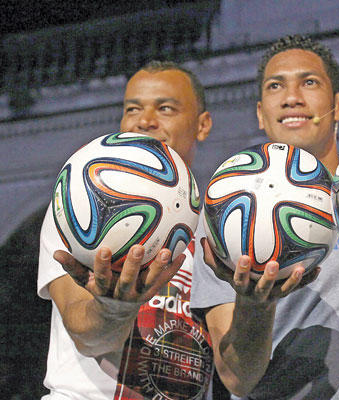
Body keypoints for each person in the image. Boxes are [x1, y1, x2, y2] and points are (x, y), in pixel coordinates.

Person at [191, 34, 339, 399]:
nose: (291, 97)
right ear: (260, 113)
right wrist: (255, 307)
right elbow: (236, 378)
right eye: (276, 86)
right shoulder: (224, 215)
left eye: (309, 82)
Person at [37, 60, 215, 399]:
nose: (144, 120)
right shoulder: (82, 205)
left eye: (165, 108)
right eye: (133, 108)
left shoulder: (223, 227)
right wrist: (113, 307)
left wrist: (257, 306)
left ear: (202, 124)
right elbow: (86, 335)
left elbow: (237, 372)